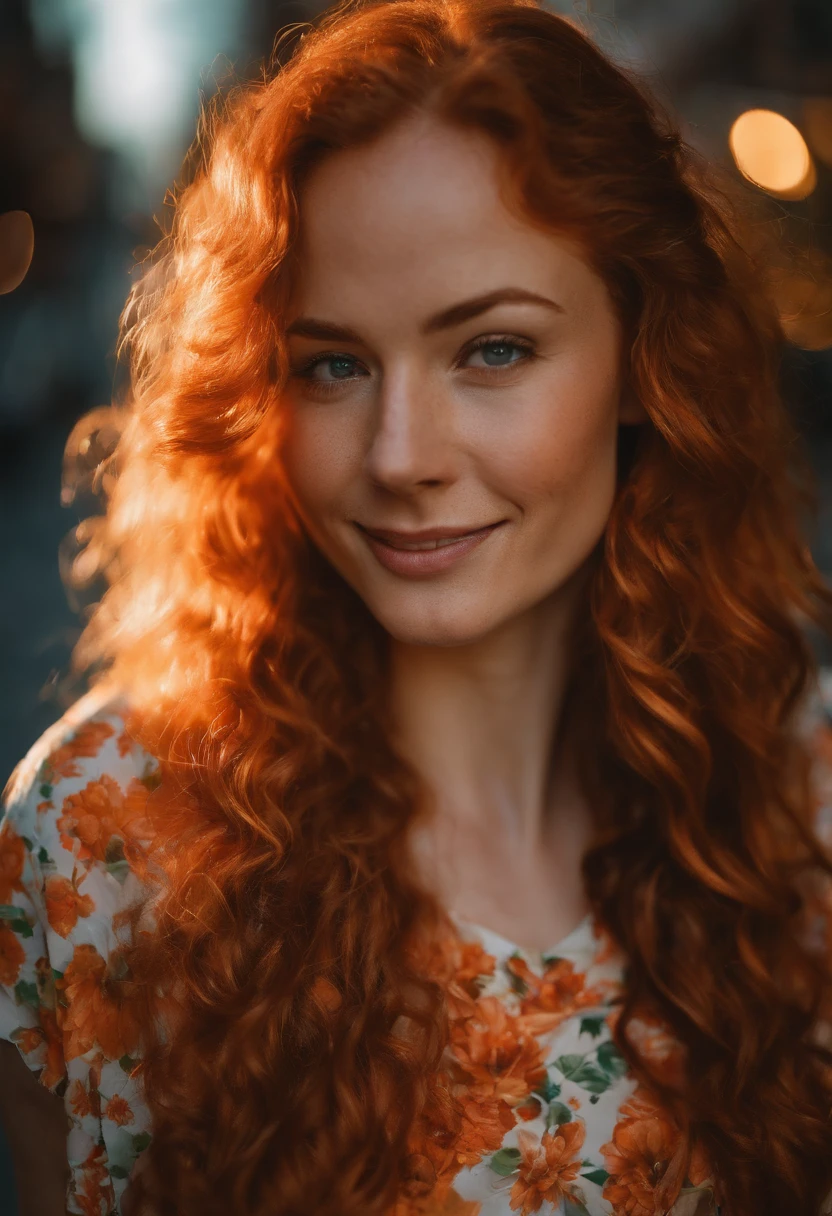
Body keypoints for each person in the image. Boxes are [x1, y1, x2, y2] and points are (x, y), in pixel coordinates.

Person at [1, 0, 832, 1213]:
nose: (400, 454)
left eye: (491, 350)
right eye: (331, 364)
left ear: (644, 361)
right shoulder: (101, 839)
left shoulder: (799, 809)